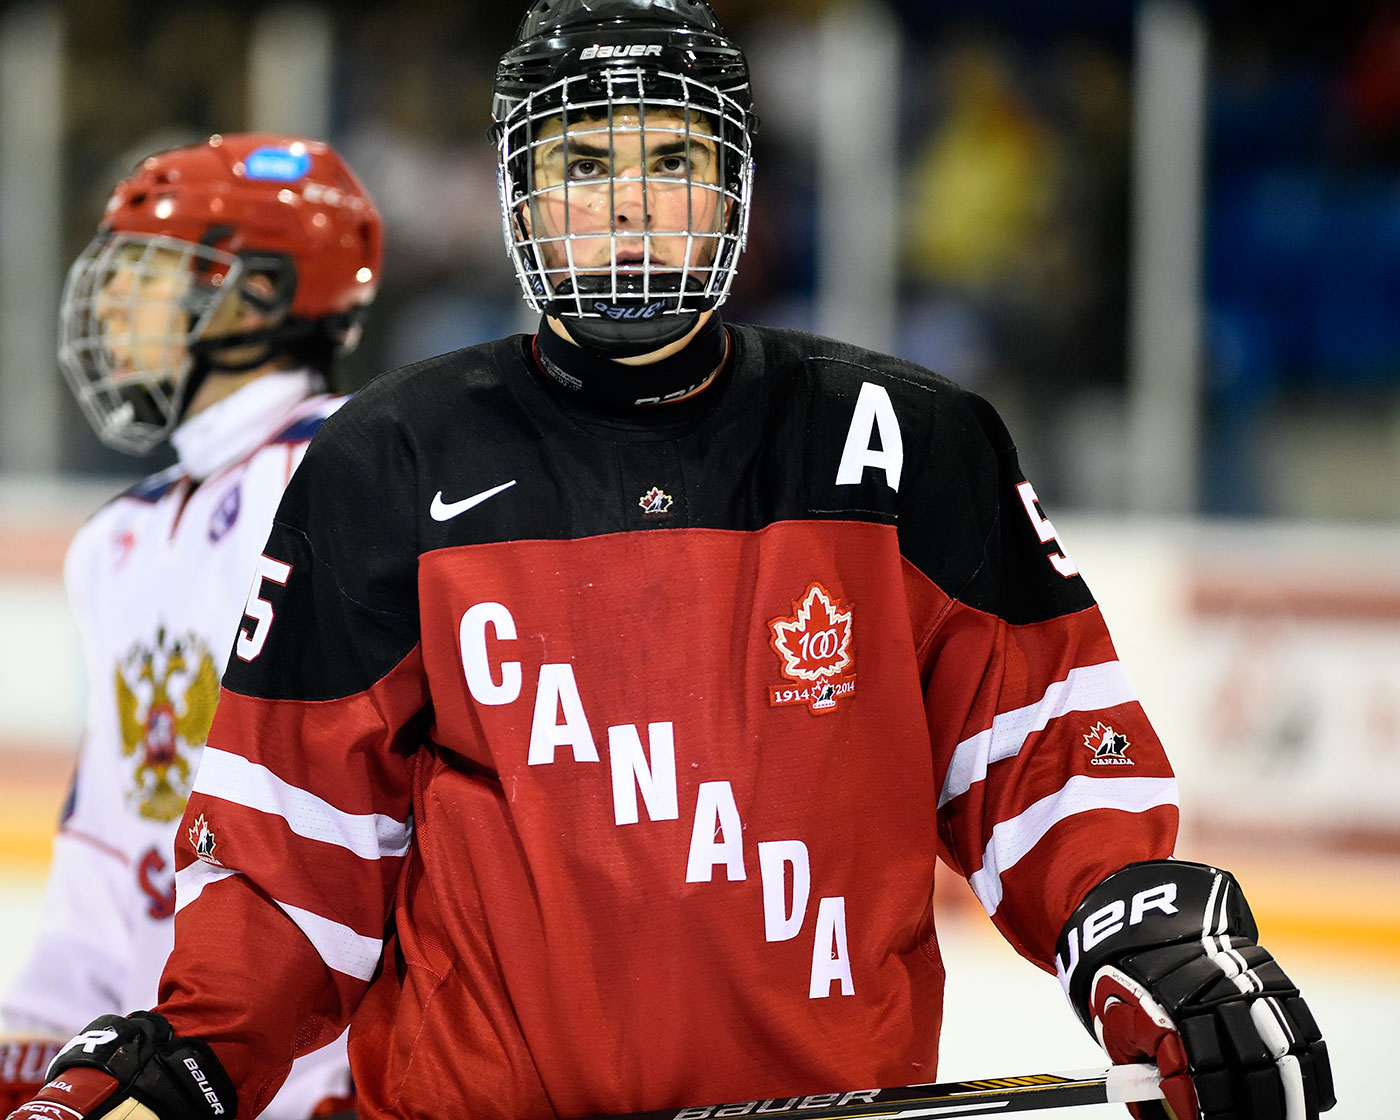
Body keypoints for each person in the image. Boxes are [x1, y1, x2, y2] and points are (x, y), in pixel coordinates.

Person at [12, 5, 1333, 1120]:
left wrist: (1136, 924)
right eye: (583, 164)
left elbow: (1040, 766)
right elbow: (295, 858)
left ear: (740, 188)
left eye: (673, 159)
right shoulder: (387, 463)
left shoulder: (900, 446)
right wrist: (194, 1050)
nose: (630, 206)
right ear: (521, 196)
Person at [0, 133, 383, 1120]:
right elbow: (111, 839)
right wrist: (37, 1041)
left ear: (257, 296)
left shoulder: (351, 473)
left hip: (314, 1069)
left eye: (150, 272)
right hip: (156, 1067)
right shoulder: (115, 538)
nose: (113, 303)